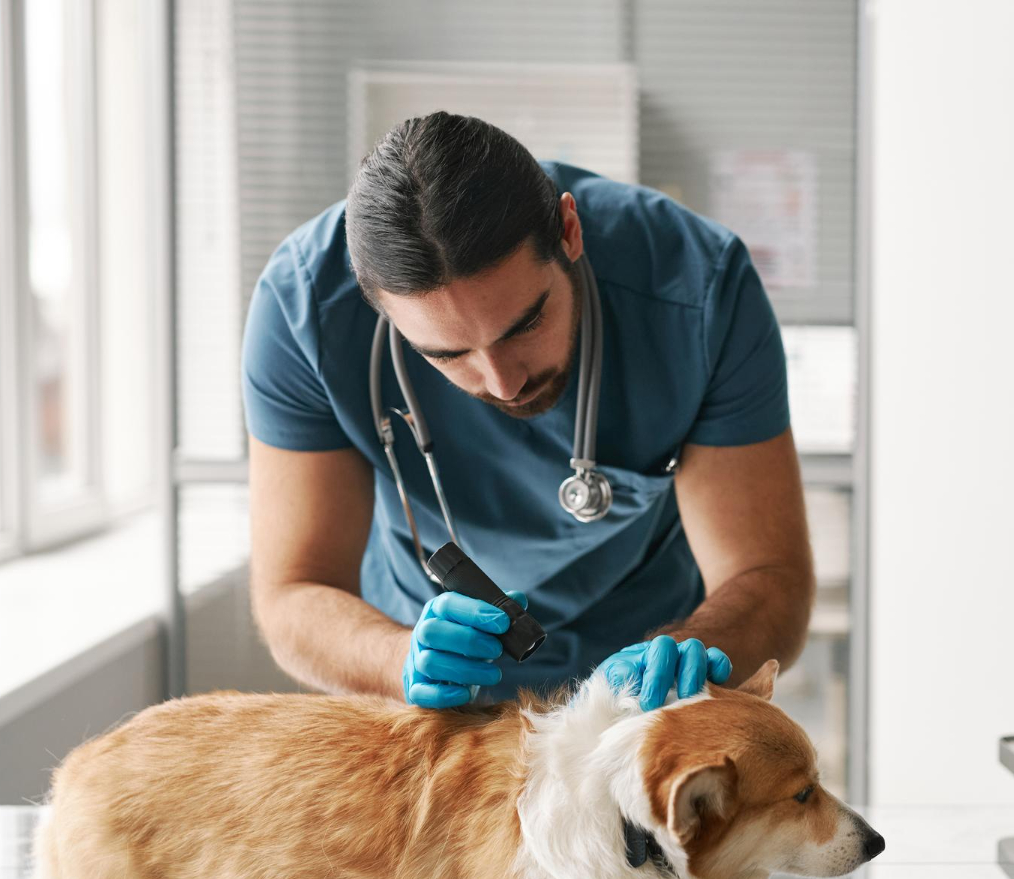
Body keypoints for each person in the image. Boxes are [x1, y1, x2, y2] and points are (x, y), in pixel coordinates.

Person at [242, 111, 813, 711]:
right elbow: (293, 592)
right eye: (447, 354)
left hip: (644, 684)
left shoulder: (699, 289)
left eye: (526, 324)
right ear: (372, 301)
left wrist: (688, 655)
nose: (504, 383)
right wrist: (397, 658)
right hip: (422, 679)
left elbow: (768, 575)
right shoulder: (302, 309)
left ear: (569, 230)